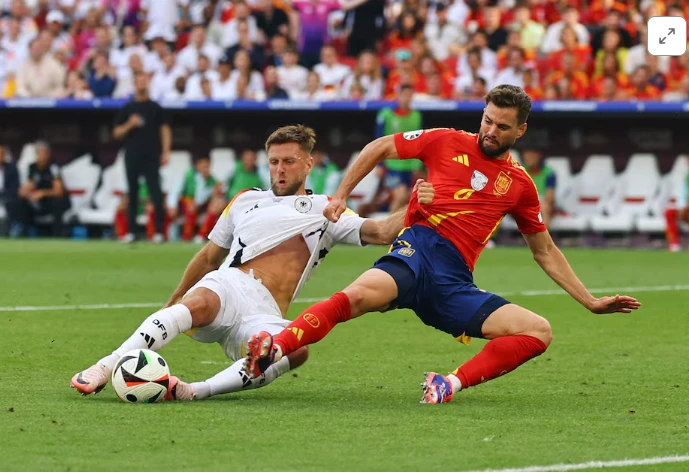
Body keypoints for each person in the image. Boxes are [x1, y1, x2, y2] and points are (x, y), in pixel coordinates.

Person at [244, 85, 641, 404]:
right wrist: (342, 195)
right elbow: (380, 146)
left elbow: (545, 250)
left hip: (454, 281)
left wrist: (589, 301)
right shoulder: (445, 140)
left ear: (520, 130)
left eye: (502, 127)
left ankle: (448, 384)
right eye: (487, 120)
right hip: (417, 250)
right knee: (359, 294)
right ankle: (274, 350)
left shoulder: (520, 185)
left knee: (538, 332)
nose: (490, 131)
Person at [71, 124, 435, 401]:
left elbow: (384, 232)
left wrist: (419, 202)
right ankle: (107, 364)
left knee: (298, 348)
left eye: (289, 162)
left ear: (308, 164)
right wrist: (174, 300)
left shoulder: (327, 209)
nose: (279, 170)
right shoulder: (246, 200)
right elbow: (210, 256)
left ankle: (193, 391)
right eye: (274, 162)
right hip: (231, 285)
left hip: (265, 312)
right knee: (196, 303)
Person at [113, 71, 171, 243]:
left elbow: (165, 130)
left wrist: (166, 151)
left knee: (156, 192)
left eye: (144, 81)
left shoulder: (155, 108)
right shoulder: (128, 108)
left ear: (147, 83)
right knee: (132, 192)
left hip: (152, 155)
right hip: (132, 155)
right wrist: (129, 125)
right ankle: (131, 231)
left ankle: (160, 232)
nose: (141, 84)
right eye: (138, 81)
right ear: (134, 84)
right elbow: (116, 133)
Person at [375, 84, 424, 214]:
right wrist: (379, 163)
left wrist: (417, 165)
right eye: (405, 95)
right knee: (400, 194)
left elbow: (418, 141)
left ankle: (398, 230)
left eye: (410, 95)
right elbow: (378, 139)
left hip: (409, 164)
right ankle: (386, 231)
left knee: (408, 199)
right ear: (399, 95)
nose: (407, 98)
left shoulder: (416, 115)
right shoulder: (386, 114)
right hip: (392, 164)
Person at [17, 142, 71, 237]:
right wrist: (25, 192)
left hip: (55, 200)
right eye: (39, 154)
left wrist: (42, 193)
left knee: (57, 202)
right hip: (42, 202)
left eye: (44, 154)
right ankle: (23, 234)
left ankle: (57, 235)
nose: (42, 156)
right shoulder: (33, 167)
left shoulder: (53, 167)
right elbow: (31, 184)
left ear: (48, 155)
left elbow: (59, 191)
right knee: (22, 201)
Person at [166, 155, 224, 243]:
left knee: (218, 203)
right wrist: (172, 205)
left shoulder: (211, 179)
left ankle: (200, 236)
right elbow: (175, 191)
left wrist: (215, 192)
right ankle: (186, 236)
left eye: (207, 166)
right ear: (197, 166)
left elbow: (203, 198)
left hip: (200, 206)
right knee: (191, 205)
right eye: (203, 166)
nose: (206, 169)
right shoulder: (188, 175)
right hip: (185, 204)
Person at [665, 154, 689, 253]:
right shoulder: (688, 176)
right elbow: (684, 194)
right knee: (669, 212)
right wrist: (682, 207)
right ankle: (674, 244)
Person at [522, 149, 556, 229]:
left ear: (538, 156)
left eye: (531, 155)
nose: (528, 158)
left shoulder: (549, 173)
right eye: (526, 155)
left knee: (544, 207)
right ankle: (492, 239)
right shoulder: (521, 170)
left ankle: (543, 239)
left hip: (541, 203)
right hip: (523, 202)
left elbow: (550, 198)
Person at [0, 145, 19, 236]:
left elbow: (14, 186)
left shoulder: (11, 168)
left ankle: (7, 234)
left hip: (6, 199)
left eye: (2, 154)